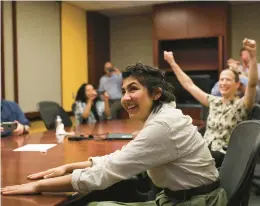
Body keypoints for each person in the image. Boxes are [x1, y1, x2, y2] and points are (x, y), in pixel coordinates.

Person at [1, 63, 227, 206]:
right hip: (184, 197)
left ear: (156, 93)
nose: (126, 97)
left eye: (133, 89)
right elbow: (117, 159)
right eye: (124, 91)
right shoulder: (164, 117)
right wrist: (69, 167)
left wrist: (37, 187)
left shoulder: (163, 127)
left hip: (197, 202)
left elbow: (106, 173)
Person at [164, 38, 258, 168]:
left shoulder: (242, 104)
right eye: (221, 79)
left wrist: (252, 56)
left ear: (237, 84)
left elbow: (252, 84)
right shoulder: (214, 101)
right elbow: (189, 85)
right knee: (169, 149)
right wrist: (172, 62)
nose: (223, 83)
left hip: (223, 156)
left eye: (228, 80)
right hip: (204, 151)